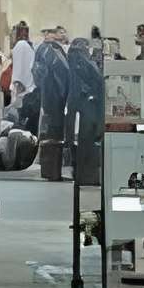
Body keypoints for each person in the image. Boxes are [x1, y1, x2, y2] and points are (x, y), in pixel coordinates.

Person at [66, 34, 104, 183]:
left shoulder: (72, 58)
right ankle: (87, 176)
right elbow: (98, 81)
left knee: (80, 141)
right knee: (88, 140)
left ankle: (81, 174)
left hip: (77, 105)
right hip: (88, 106)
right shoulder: (82, 59)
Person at [35, 30, 70, 180]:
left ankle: (49, 171)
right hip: (55, 102)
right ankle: (52, 172)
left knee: (49, 135)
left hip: (48, 100)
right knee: (53, 136)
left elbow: (37, 74)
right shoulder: (53, 53)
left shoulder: (45, 51)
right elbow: (64, 78)